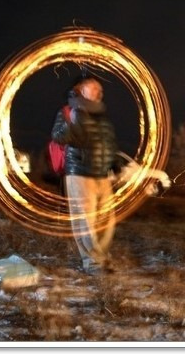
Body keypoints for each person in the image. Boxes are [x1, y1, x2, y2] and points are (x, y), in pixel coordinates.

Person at [51, 76, 121, 274]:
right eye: (95, 88)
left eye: (101, 89)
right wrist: (72, 122)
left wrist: (115, 163)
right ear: (81, 90)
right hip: (80, 172)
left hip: (102, 174)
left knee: (108, 220)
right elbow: (58, 136)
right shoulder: (69, 112)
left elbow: (109, 142)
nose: (100, 92)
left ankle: (101, 256)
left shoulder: (101, 116)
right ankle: (93, 262)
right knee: (86, 221)